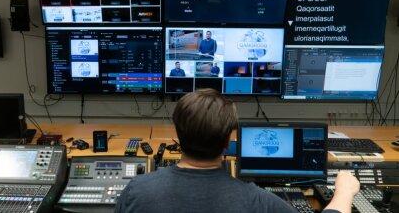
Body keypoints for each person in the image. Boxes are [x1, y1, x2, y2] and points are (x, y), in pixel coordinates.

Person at [115, 89, 360, 213]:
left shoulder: (136, 192)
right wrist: (344, 192)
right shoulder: (258, 202)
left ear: (178, 136)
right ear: (227, 143)